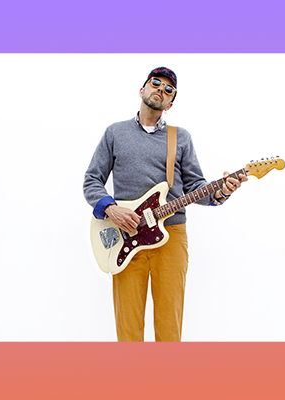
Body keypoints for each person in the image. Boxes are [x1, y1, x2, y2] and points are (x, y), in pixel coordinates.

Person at [83, 67, 247, 342]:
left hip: (171, 240)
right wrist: (111, 209)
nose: (160, 89)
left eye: (168, 89)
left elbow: (196, 187)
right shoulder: (115, 133)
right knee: (128, 327)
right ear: (142, 89)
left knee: (169, 327)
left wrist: (222, 192)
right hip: (128, 238)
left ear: (170, 104)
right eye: (155, 83)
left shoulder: (180, 138)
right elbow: (92, 180)